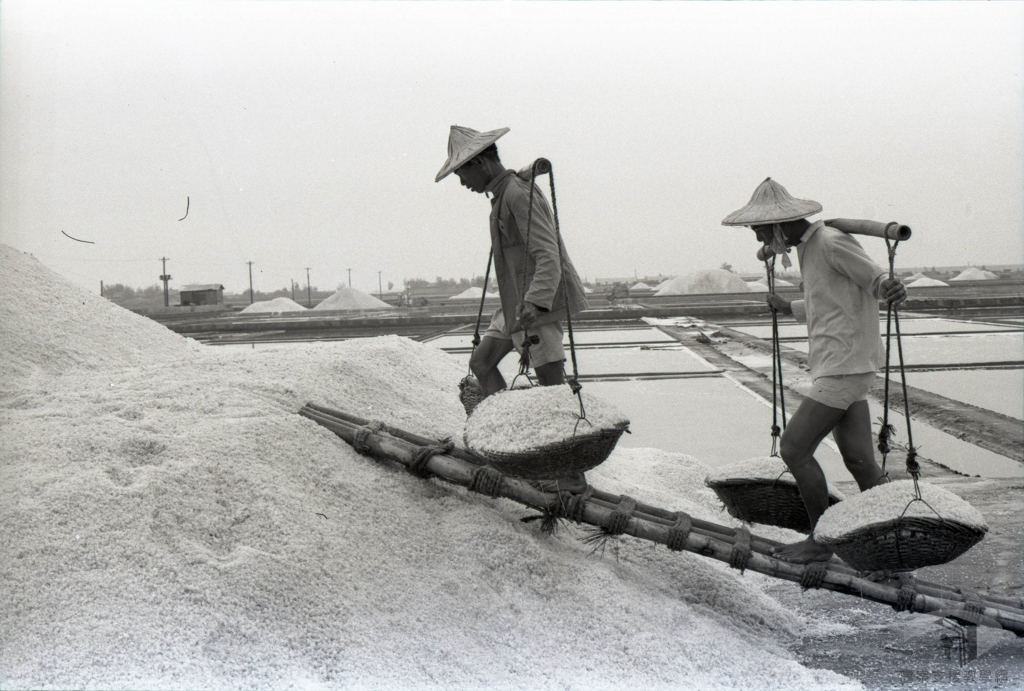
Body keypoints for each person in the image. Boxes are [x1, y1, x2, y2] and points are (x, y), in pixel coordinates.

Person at [721, 177, 908, 564]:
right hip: (842, 364)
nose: (758, 237)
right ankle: (893, 543)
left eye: (759, 229)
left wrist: (891, 288)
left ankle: (820, 542)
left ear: (778, 225)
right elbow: (830, 300)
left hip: (844, 365)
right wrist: (787, 307)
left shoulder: (830, 241)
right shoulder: (809, 248)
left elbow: (874, 280)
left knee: (794, 448)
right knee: (860, 461)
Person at [435, 125, 588, 398]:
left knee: (551, 389)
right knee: (481, 363)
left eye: (461, 174)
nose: (463, 183)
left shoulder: (517, 193)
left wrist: (535, 302)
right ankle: (504, 417)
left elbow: (548, 253)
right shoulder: (502, 196)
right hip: (514, 304)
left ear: (479, 163)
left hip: (535, 307)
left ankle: (554, 424)